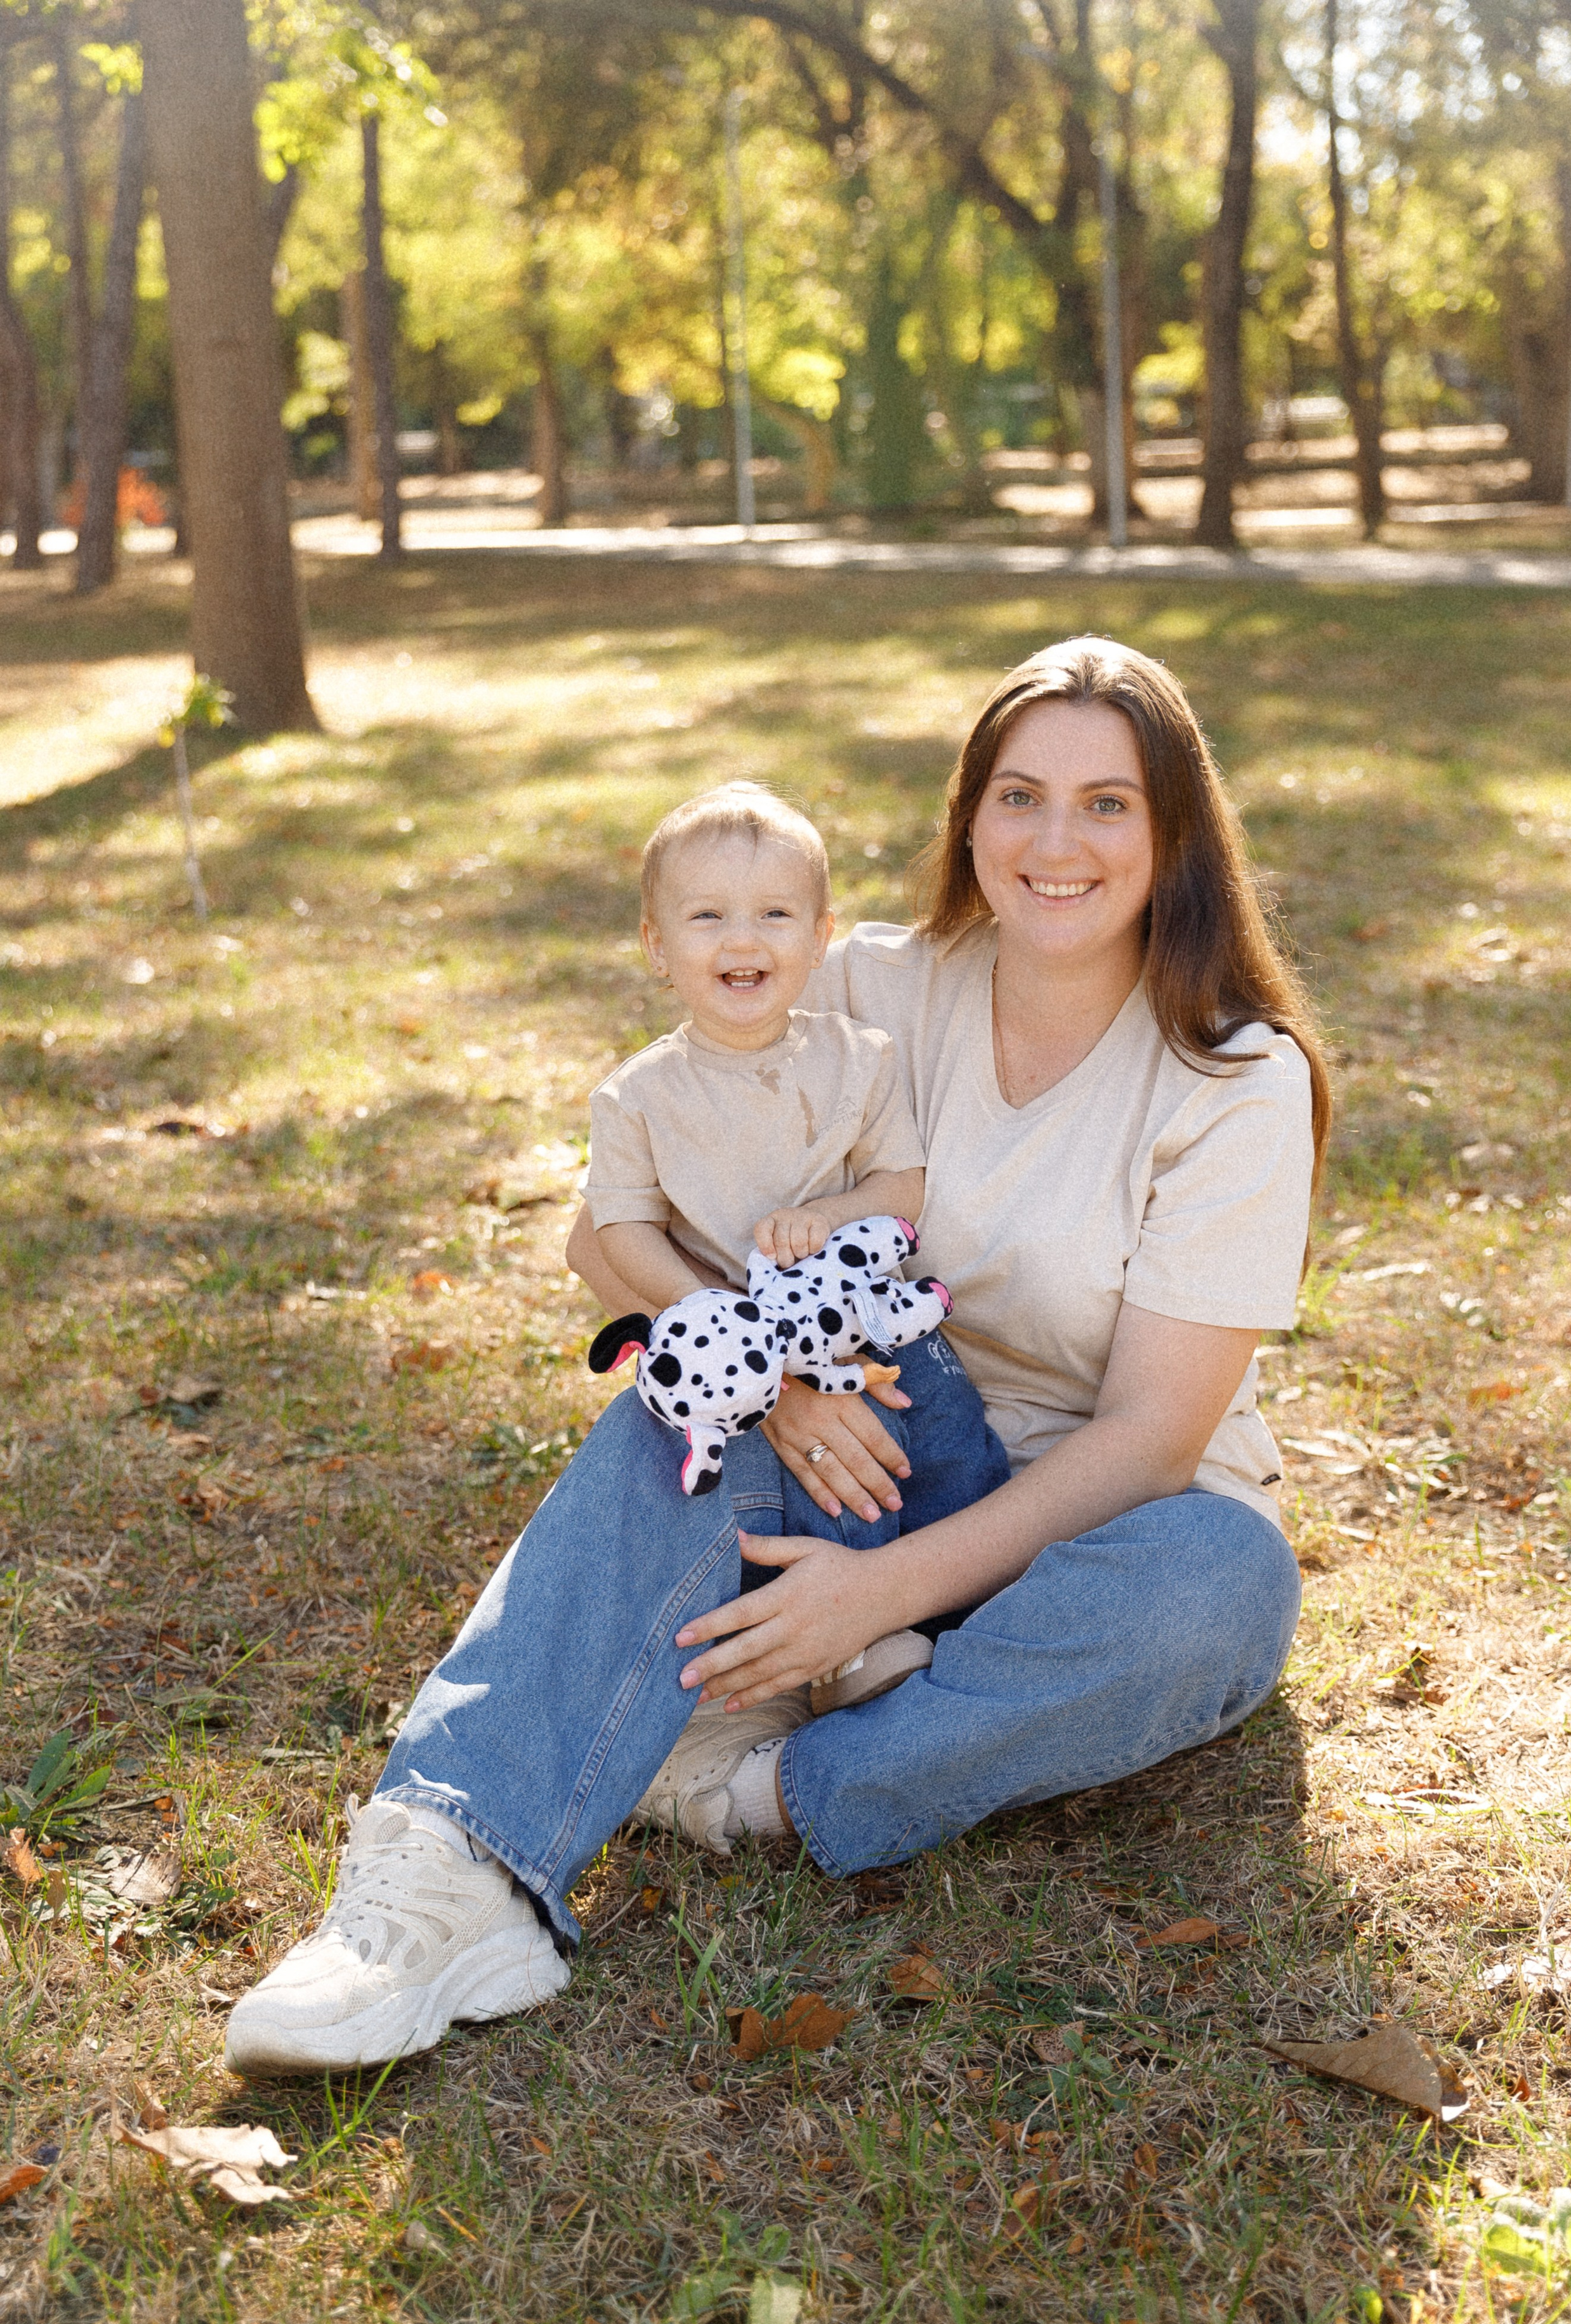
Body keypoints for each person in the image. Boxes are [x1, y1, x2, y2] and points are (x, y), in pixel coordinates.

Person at [224, 635, 1328, 2080]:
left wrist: (883, 1589)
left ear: (1173, 831)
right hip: (839, 1452)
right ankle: (443, 1870)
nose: (1054, 841)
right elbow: (598, 1234)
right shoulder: (870, 986)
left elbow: (1151, 1441)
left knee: (1218, 1585)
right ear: (967, 816)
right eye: (1017, 795)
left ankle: (759, 1788)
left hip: (1092, 1537)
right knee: (693, 1394)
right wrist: (779, 1383)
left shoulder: (1234, 1078)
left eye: (1105, 803)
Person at [581, 779, 1007, 1730]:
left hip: (869, 1319)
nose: (744, 940)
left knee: (944, 1439)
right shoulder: (639, 1097)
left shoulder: (858, 1057)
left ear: (820, 939)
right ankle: (858, 1649)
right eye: (707, 917)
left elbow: (905, 1186)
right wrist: (714, 1321)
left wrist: (835, 1212)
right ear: (657, 944)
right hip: (749, 1358)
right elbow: (619, 1232)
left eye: (776, 914)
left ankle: (981, 1610)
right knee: (834, 1476)